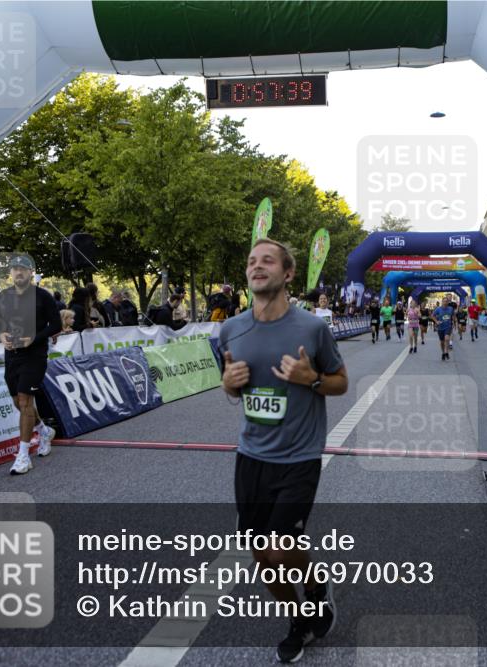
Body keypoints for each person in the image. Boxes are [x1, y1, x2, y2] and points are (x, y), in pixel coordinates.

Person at [218, 238, 347, 662]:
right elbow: (232, 389)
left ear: (288, 274)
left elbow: (341, 382)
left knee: (280, 545)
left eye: (268, 261)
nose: (257, 266)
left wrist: (312, 379)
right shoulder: (230, 330)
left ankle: (314, 588)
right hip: (251, 456)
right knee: (263, 556)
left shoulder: (312, 329)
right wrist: (228, 385)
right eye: (251, 261)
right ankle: (300, 617)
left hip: (299, 456)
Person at [0, 254, 61, 475]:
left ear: (31, 272)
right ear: (11, 273)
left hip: (35, 355)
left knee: (25, 400)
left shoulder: (43, 296)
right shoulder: (3, 296)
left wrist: (35, 338)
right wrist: (1, 335)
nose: (18, 272)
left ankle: (23, 456)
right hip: (12, 356)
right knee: (18, 403)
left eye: (23, 268)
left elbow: (56, 325)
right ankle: (43, 430)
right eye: (15, 269)